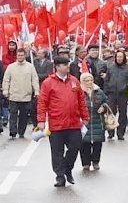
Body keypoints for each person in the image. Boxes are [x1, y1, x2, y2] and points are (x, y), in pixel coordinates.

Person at [37, 56, 89, 187]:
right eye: (65, 65)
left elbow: (81, 100)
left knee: (75, 147)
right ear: (57, 67)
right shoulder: (48, 83)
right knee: (57, 152)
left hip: (74, 123)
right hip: (57, 124)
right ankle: (60, 176)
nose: (67, 66)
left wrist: (85, 117)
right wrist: (41, 120)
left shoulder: (74, 81)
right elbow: (42, 102)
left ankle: (67, 168)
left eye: (68, 64)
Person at [3, 48, 39, 139]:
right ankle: (13, 132)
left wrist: (37, 91)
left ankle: (21, 132)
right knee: (13, 115)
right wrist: (5, 91)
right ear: (16, 56)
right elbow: (6, 80)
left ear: (25, 55)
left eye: (22, 55)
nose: (20, 57)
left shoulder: (30, 67)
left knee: (23, 116)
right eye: (18, 55)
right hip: (13, 95)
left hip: (26, 96)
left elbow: (34, 79)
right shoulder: (11, 67)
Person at [102, 50, 128, 140]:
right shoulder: (111, 67)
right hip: (111, 94)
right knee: (111, 113)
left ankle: (120, 133)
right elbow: (106, 80)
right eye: (118, 57)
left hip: (123, 94)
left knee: (122, 114)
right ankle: (110, 132)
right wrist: (106, 91)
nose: (119, 58)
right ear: (115, 58)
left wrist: (126, 86)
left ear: (123, 58)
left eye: (121, 57)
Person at [79, 72, 108, 171]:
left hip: (97, 120)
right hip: (84, 121)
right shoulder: (78, 92)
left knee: (97, 143)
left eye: (91, 80)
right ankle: (86, 163)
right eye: (87, 80)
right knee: (84, 143)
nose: (89, 82)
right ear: (82, 81)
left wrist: (103, 107)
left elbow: (106, 102)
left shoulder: (99, 91)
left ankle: (96, 161)